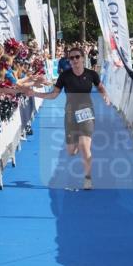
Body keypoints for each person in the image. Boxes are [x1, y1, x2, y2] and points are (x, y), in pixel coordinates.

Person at [20, 45, 110, 190]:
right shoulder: (65, 76)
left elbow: (100, 86)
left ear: (83, 58)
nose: (74, 60)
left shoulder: (91, 74)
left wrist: (105, 95)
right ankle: (76, 146)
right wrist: (34, 94)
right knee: (71, 151)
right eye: (71, 58)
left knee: (84, 145)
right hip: (70, 114)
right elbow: (54, 95)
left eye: (77, 57)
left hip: (86, 112)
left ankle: (88, 179)